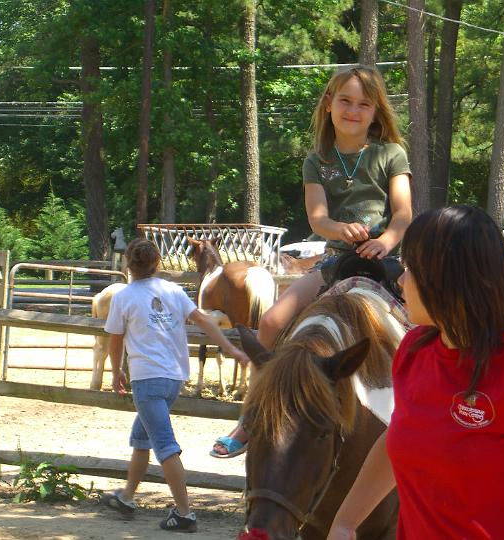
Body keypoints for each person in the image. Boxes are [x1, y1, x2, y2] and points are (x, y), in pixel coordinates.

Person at [328, 205, 504, 539]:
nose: (400, 279)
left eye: (412, 269)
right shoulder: (412, 351)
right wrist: (345, 521)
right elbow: (400, 437)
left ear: (448, 278)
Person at [211, 63, 412, 457]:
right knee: (270, 321)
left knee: (429, 327)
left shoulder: (390, 153)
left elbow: (403, 213)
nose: (353, 110)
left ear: (376, 111)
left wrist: (385, 241)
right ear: (328, 104)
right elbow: (318, 218)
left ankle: (429, 414)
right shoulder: (317, 160)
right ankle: (251, 418)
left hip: (385, 259)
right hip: (336, 260)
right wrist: (340, 230)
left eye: (363, 104)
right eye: (346, 101)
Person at [102, 238, 249, 532]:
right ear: (157, 263)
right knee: (142, 437)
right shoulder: (173, 291)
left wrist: (117, 370)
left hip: (147, 378)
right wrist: (231, 349)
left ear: (129, 265)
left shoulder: (124, 297)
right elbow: (205, 322)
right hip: (174, 377)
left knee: (165, 446)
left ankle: (184, 514)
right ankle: (127, 496)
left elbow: (115, 338)